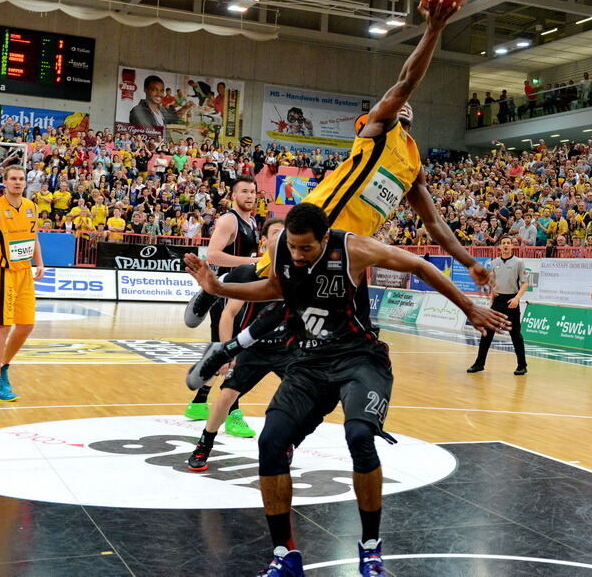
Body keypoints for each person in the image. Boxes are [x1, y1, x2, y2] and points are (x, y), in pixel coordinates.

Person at [182, 203, 509, 577]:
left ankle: (370, 549)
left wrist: (468, 307)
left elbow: (420, 266)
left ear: (324, 239)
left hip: (359, 358)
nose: (298, 255)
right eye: (293, 247)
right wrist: (218, 287)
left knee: (359, 435)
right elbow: (274, 287)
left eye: (307, 248)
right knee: (270, 442)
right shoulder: (281, 252)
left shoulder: (354, 249)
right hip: (308, 360)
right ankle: (284, 556)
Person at [181, 0, 490, 339]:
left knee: (298, 304)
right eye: (397, 103)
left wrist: (469, 261)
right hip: (319, 224)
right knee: (269, 280)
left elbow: (434, 223)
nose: (403, 105)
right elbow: (406, 82)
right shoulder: (380, 129)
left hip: (349, 245)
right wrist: (433, 30)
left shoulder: (414, 163)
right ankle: (216, 292)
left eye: (406, 106)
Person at [187, 218, 288, 471]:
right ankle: (204, 443)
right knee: (227, 395)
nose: (281, 237)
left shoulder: (297, 273)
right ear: (264, 241)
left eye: (285, 234)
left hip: (287, 347)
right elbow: (228, 314)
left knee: (297, 396)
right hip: (253, 346)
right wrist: (226, 352)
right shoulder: (247, 273)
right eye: (275, 233)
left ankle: (287, 442)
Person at [183, 176, 260, 437]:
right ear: (233, 196)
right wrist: (253, 262)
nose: (250, 196)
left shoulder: (252, 221)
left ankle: (197, 404)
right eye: (245, 192)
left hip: (239, 293)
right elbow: (213, 255)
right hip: (224, 294)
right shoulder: (229, 220)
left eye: (253, 192)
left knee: (223, 353)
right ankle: (233, 415)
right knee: (231, 353)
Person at [0, 165, 45, 402]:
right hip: (1, 272)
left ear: (25, 183)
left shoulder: (31, 207)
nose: (17, 182)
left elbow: (33, 237)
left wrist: (40, 263)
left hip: (24, 271)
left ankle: (3, 366)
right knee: (2, 326)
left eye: (21, 179)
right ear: (5, 182)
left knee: (26, 325)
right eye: (13, 178)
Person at [467, 236, 529, 375]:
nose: (506, 245)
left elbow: (525, 283)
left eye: (508, 243)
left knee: (515, 335)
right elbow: (492, 284)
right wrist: (491, 301)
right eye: (503, 243)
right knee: (487, 332)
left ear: (512, 246)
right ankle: (479, 364)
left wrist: (517, 298)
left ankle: (522, 366)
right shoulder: (494, 263)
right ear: (499, 247)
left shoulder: (519, 262)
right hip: (498, 301)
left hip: (511, 301)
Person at [128, 74, 193, 127]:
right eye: (154, 90)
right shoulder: (138, 111)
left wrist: (185, 107)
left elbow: (173, 118)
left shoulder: (160, 109)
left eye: (161, 91)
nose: (159, 94)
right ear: (145, 89)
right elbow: (148, 134)